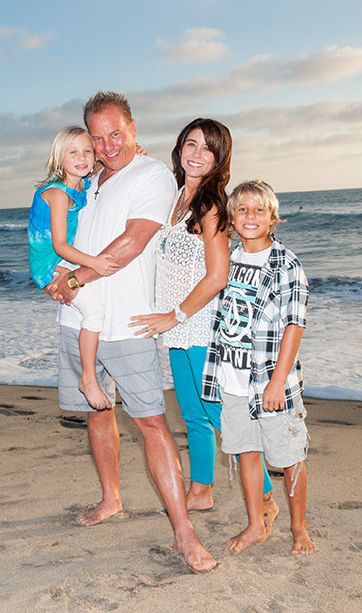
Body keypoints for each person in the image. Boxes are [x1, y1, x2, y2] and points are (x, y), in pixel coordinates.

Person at [47, 91, 217, 572]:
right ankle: (111, 499)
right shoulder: (89, 178)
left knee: (150, 422)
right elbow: (58, 228)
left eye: (116, 134)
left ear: (133, 128)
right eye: (97, 138)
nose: (107, 145)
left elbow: (133, 242)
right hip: (78, 319)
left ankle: (184, 533)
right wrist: (56, 276)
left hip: (127, 322)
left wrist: (74, 278)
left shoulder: (153, 175)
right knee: (96, 412)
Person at [128, 119, 278, 531]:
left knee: (219, 414)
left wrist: (173, 314)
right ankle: (201, 491)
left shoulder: (211, 205)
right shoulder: (176, 195)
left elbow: (217, 276)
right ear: (179, 149)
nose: (196, 154)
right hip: (178, 327)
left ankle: (265, 494)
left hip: (200, 323)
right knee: (192, 413)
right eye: (190, 144)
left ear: (219, 159)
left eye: (207, 149)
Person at [202, 179, 316, 556]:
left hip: (270, 381)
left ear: (273, 218)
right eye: (243, 209)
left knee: (288, 457)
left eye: (259, 210)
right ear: (232, 218)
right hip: (232, 379)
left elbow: (294, 325)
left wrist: (277, 381)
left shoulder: (286, 264)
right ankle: (256, 524)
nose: (251, 216)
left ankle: (299, 529)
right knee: (246, 452)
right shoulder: (228, 259)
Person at [28, 126, 118, 410]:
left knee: (96, 303)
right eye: (73, 152)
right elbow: (59, 246)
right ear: (59, 157)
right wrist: (94, 263)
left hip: (61, 262)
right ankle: (88, 379)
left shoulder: (80, 184)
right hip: (50, 265)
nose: (82, 157)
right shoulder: (57, 194)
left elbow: (96, 168)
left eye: (87, 151)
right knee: (94, 311)